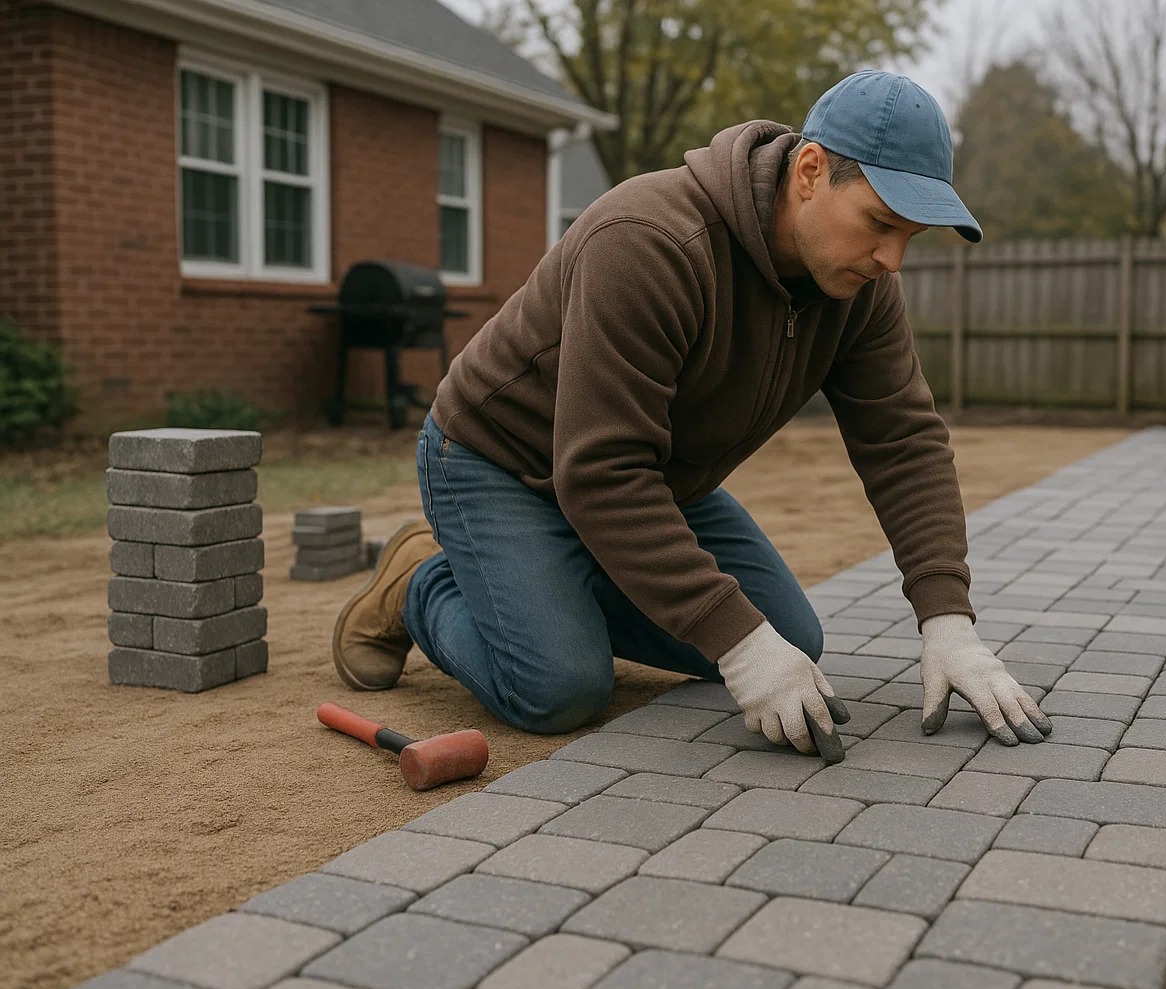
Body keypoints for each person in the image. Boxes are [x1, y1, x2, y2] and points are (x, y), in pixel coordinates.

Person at [331, 70, 1052, 761]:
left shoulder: (856, 287)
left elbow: (903, 442)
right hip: (500, 461)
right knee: (559, 688)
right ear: (808, 173)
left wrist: (948, 622)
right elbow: (601, 471)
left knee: (793, 638)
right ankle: (421, 581)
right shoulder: (648, 243)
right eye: (880, 223)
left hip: (651, 480)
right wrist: (737, 643)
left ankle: (551, 580)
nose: (892, 258)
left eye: (910, 237)